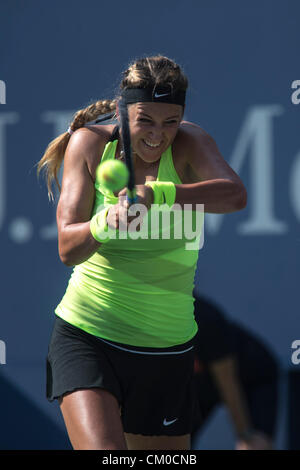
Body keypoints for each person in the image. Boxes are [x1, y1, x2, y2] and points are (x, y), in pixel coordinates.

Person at [38, 55, 247, 450]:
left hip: (167, 350)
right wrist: (106, 222)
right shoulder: (88, 144)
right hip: (88, 335)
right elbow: (68, 247)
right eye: (145, 120)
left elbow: (235, 195)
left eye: (171, 121)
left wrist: (161, 194)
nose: (159, 134)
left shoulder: (192, 142)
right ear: (122, 112)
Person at [191, 293, 279, 450]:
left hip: (251, 377)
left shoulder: (205, 317)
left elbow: (229, 385)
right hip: (202, 384)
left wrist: (244, 435)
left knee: (254, 444)